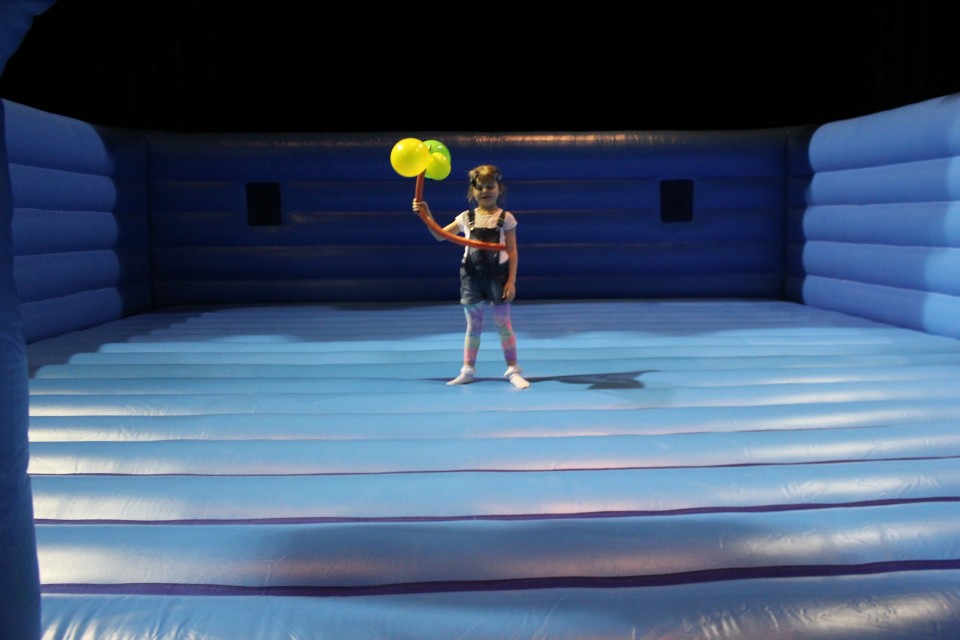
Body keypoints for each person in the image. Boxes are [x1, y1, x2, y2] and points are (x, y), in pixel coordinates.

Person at [412, 164, 531, 389]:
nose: (485, 191)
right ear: (472, 191)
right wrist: (425, 215)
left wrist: (511, 281)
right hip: (471, 277)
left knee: (503, 324)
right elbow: (440, 236)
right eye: (480, 187)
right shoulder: (466, 218)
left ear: (499, 189)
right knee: (473, 326)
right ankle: (467, 370)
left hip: (498, 277)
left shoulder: (506, 218)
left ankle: (513, 370)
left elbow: (513, 251)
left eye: (490, 186)